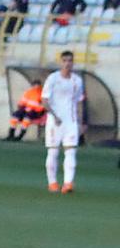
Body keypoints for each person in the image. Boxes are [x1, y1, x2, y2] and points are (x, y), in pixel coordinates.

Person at [42, 50, 85, 193]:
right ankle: (52, 183)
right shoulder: (53, 79)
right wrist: (54, 116)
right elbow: (44, 100)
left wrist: (80, 121)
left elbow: (78, 101)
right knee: (53, 152)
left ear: (73, 63)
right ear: (61, 62)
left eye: (70, 61)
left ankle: (68, 184)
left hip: (70, 122)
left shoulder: (77, 81)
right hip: (55, 122)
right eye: (65, 61)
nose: (67, 63)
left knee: (71, 151)